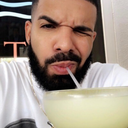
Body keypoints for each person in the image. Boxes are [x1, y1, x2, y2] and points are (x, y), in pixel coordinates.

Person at [0, 0, 128, 127]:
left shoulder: (110, 80)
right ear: (29, 34)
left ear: (92, 40)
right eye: (48, 26)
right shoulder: (6, 80)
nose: (65, 45)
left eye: (81, 31)